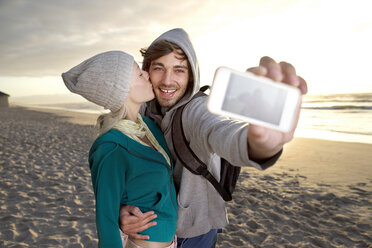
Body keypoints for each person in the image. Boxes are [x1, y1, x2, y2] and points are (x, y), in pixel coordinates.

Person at [119, 28, 308, 248]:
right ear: (147, 71)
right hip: (150, 230)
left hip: (191, 232)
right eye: (159, 68)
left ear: (191, 76)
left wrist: (259, 145)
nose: (167, 80)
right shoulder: (140, 111)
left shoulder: (196, 110)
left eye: (179, 70)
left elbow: (221, 131)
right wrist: (122, 209)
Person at [62, 51, 178, 248]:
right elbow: (106, 221)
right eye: (139, 74)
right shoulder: (111, 147)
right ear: (122, 89)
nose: (147, 74)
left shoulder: (149, 128)